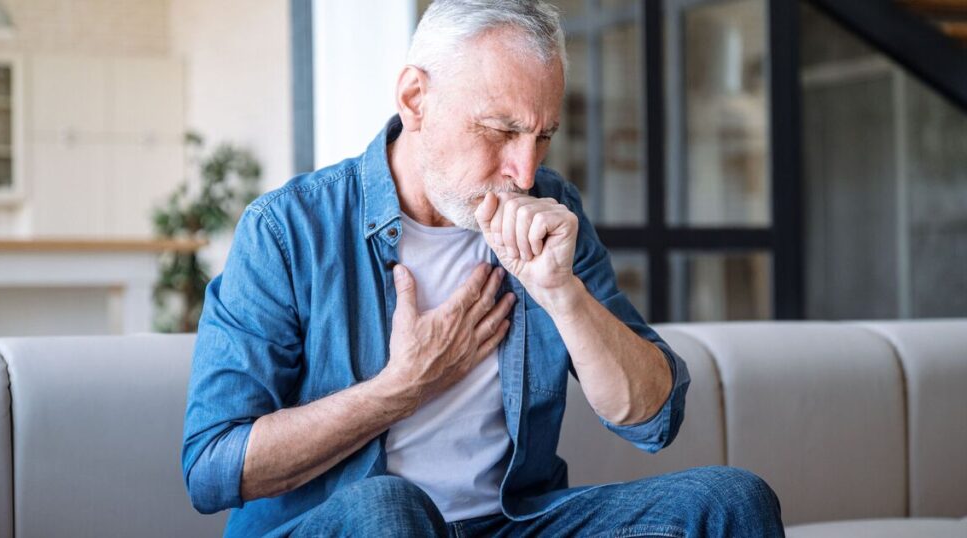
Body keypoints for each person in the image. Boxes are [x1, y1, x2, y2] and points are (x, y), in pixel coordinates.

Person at [182, 1, 784, 536]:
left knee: (730, 501)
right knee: (388, 507)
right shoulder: (288, 229)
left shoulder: (551, 209)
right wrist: (400, 388)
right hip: (352, 524)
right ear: (415, 99)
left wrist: (562, 294)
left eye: (542, 137)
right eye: (501, 131)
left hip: (507, 523)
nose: (524, 171)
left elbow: (654, 417)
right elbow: (212, 468)